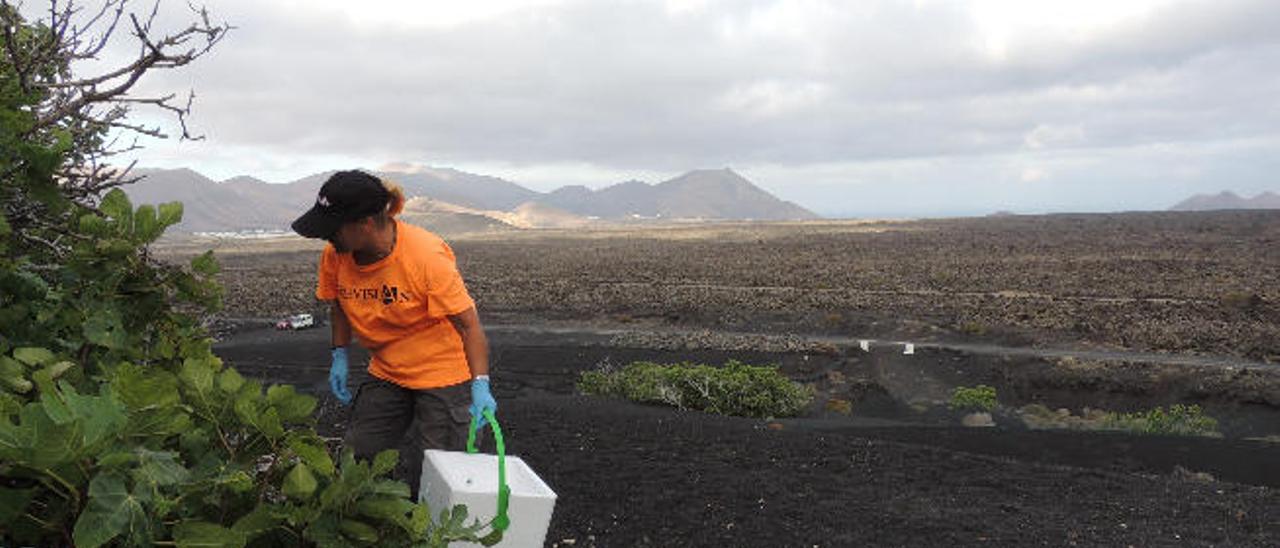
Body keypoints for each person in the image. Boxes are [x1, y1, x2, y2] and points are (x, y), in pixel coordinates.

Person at [290, 170, 496, 497]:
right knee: (357, 456)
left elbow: (470, 325)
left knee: (440, 474)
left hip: (444, 374)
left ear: (366, 224)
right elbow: (339, 305)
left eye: (333, 229)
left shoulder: (426, 258)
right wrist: (339, 354)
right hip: (387, 370)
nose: (326, 238)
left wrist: (481, 384)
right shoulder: (336, 255)